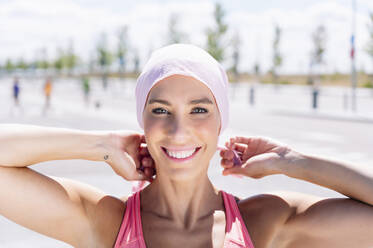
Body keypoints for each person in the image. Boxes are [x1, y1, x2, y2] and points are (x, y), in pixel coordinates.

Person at [1, 44, 373, 248]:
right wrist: (100, 144)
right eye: (160, 109)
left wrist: (294, 161)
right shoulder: (107, 223)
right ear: (142, 121)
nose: (178, 131)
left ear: (220, 122)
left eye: (199, 109)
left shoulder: (265, 222)